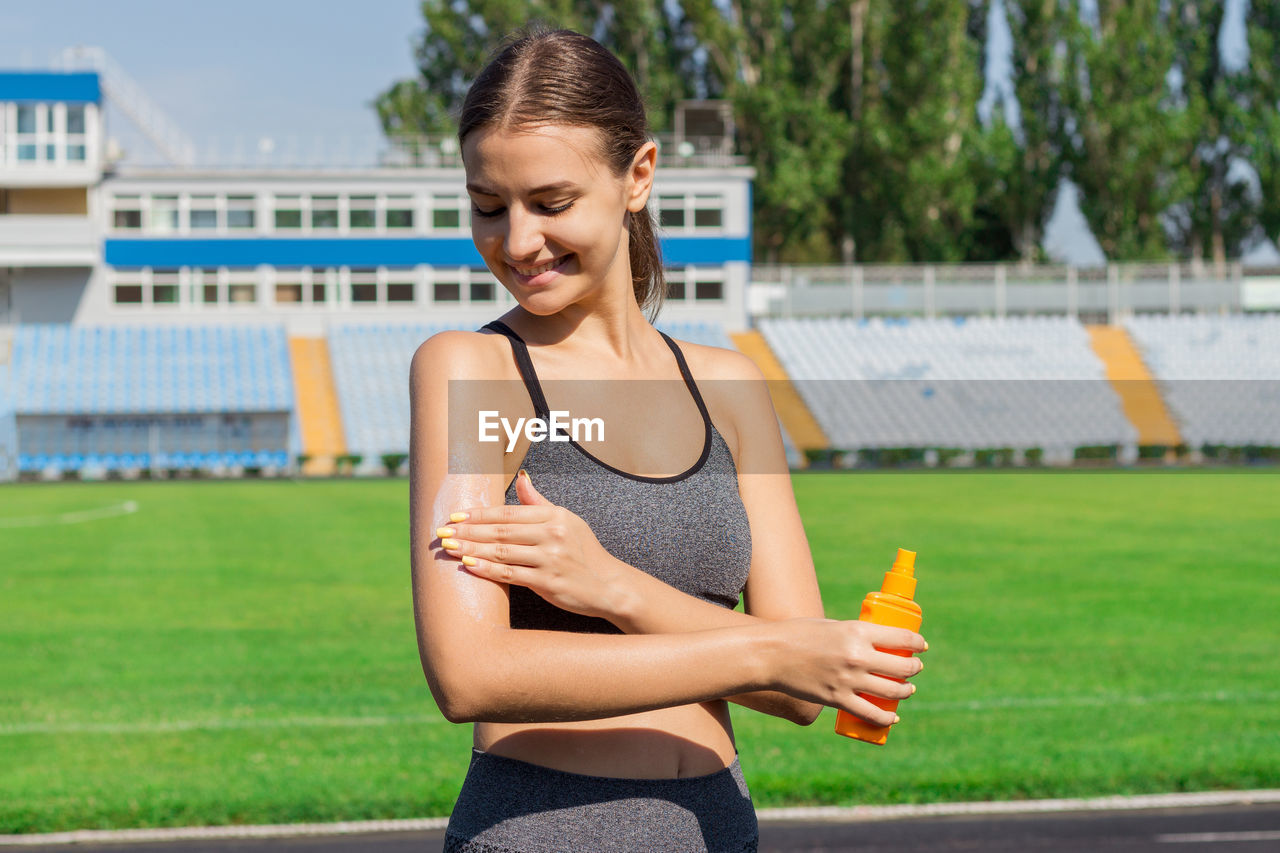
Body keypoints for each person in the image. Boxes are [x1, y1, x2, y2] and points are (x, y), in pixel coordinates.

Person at [408, 27, 927, 853]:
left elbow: (794, 688)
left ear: (637, 176)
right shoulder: (473, 369)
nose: (516, 241)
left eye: (551, 203)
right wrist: (774, 649)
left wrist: (615, 587)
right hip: (548, 835)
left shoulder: (731, 388)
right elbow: (471, 671)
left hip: (719, 828)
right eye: (486, 206)